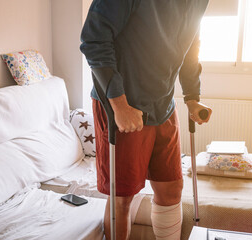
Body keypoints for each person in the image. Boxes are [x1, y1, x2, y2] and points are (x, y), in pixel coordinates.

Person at [80, 0, 212, 239]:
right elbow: (94, 40)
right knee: (123, 197)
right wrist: (119, 105)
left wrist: (192, 96)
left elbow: (191, 44)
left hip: (163, 104)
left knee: (171, 189)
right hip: (122, 104)